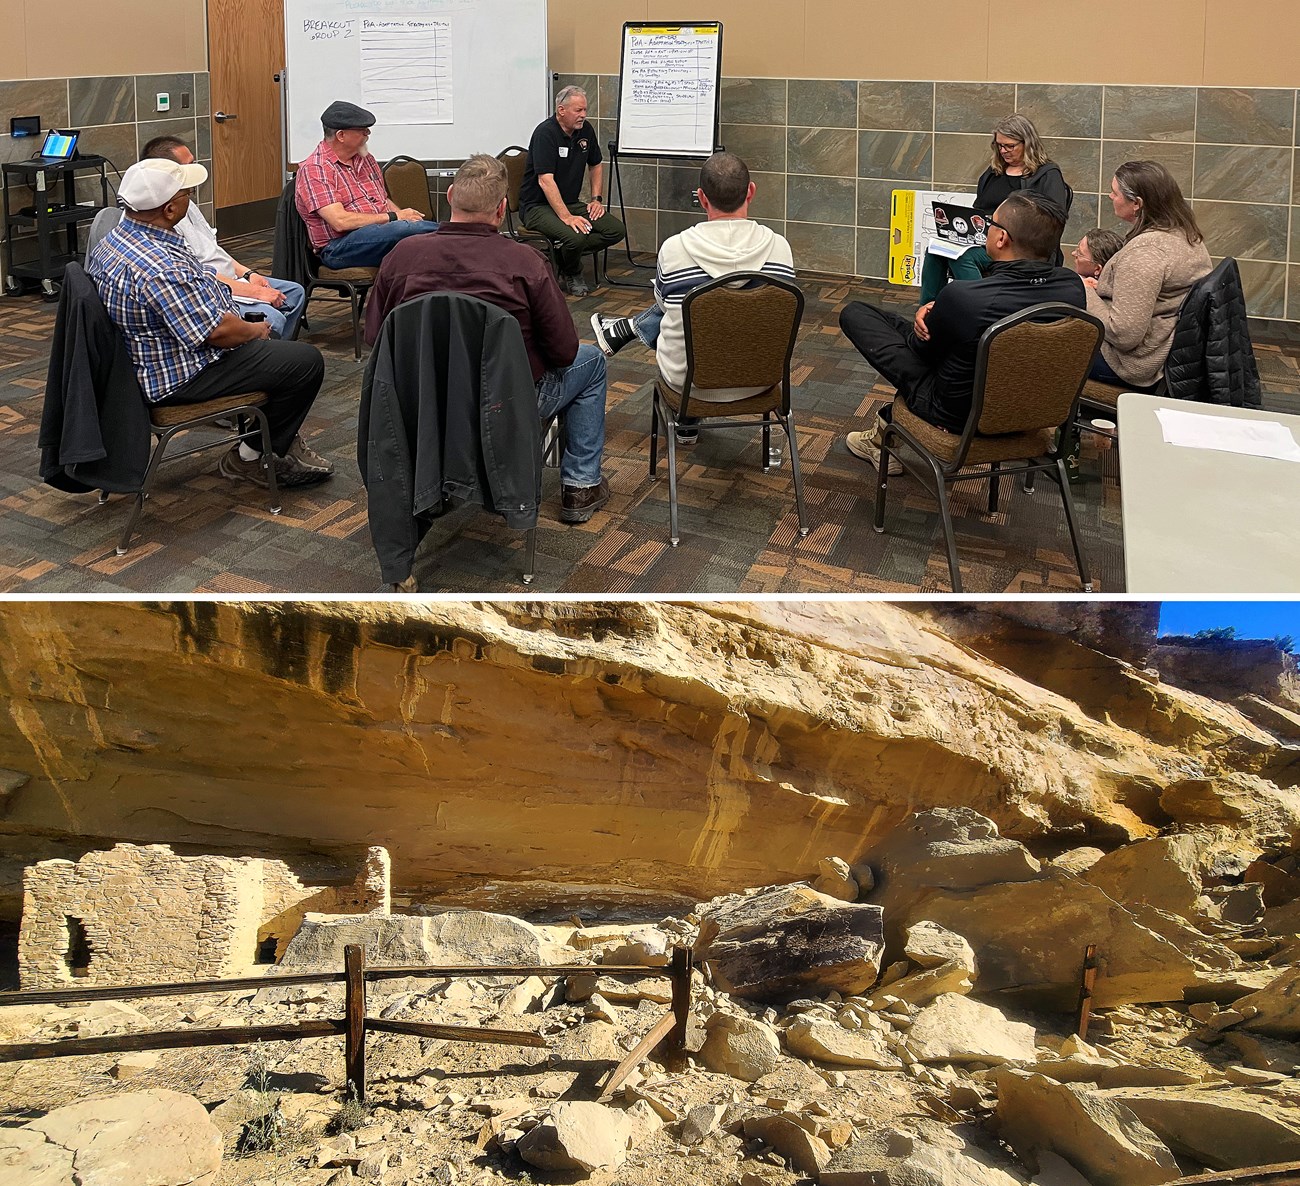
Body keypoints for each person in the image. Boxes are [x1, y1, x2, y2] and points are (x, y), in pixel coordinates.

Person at [364, 154, 611, 524]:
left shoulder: (401, 256)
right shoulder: (526, 263)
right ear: (502, 208)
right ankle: (580, 486)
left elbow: (374, 338)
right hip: (505, 406)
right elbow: (563, 352)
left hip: (422, 403)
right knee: (591, 362)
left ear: (449, 196)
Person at [87, 158, 333, 487]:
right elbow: (217, 333)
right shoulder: (160, 266)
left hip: (148, 359)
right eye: (187, 193)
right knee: (305, 362)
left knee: (276, 352)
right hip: (181, 373)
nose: (192, 198)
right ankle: (248, 456)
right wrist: (255, 331)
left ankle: (275, 441)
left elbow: (197, 286)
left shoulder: (116, 240)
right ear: (171, 209)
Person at [839, 191, 1085, 472]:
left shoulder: (965, 297)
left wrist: (936, 317)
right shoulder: (1072, 286)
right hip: (1031, 413)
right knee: (914, 329)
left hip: (955, 416)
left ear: (1002, 238)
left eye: (990, 223)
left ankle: (882, 434)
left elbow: (923, 352)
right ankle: (884, 427)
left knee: (857, 313)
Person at [588, 151, 795, 444]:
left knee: (681, 312)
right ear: (751, 192)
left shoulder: (675, 250)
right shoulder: (780, 249)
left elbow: (663, 308)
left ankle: (684, 417)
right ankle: (627, 331)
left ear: (701, 197)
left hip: (690, 386)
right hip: (762, 381)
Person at [141, 136, 305, 341]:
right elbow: (197, 277)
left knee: (295, 293)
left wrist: (249, 274)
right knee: (273, 319)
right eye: (189, 166)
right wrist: (253, 292)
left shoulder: (184, 201)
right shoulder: (161, 220)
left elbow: (213, 248)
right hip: (212, 287)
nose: (195, 170)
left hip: (228, 279)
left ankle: (276, 354)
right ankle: (261, 359)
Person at [919, 113, 1071, 304]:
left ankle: (980, 307)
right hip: (984, 238)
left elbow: (1053, 221)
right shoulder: (993, 172)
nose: (1004, 151)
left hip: (1019, 248)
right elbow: (978, 208)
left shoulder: (1047, 174)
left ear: (1027, 143)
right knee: (936, 250)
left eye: (1010, 146)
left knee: (962, 256)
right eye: (1000, 146)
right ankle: (928, 311)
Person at [1085, 160, 1212, 388]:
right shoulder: (1184, 234)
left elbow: (1123, 336)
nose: (1110, 197)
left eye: (1115, 193)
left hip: (1130, 364)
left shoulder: (1146, 254)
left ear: (1136, 203)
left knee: (1043, 349)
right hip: (1162, 350)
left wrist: (1085, 293)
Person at [294, 100, 438, 269]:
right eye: (362, 130)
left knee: (421, 242)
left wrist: (407, 218)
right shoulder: (315, 168)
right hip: (339, 248)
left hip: (379, 233)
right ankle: (457, 232)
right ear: (341, 136)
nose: (368, 133)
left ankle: (452, 241)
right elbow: (340, 221)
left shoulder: (365, 159)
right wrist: (395, 218)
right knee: (406, 232)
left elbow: (384, 201)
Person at [519, 85, 626, 297]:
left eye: (585, 110)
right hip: (537, 206)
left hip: (569, 201)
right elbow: (545, 181)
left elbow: (596, 164)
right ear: (561, 110)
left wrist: (596, 199)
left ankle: (560, 257)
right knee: (574, 237)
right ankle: (572, 271)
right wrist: (567, 217)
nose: (584, 115)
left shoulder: (585, 130)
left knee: (615, 230)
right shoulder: (545, 133)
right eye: (578, 110)